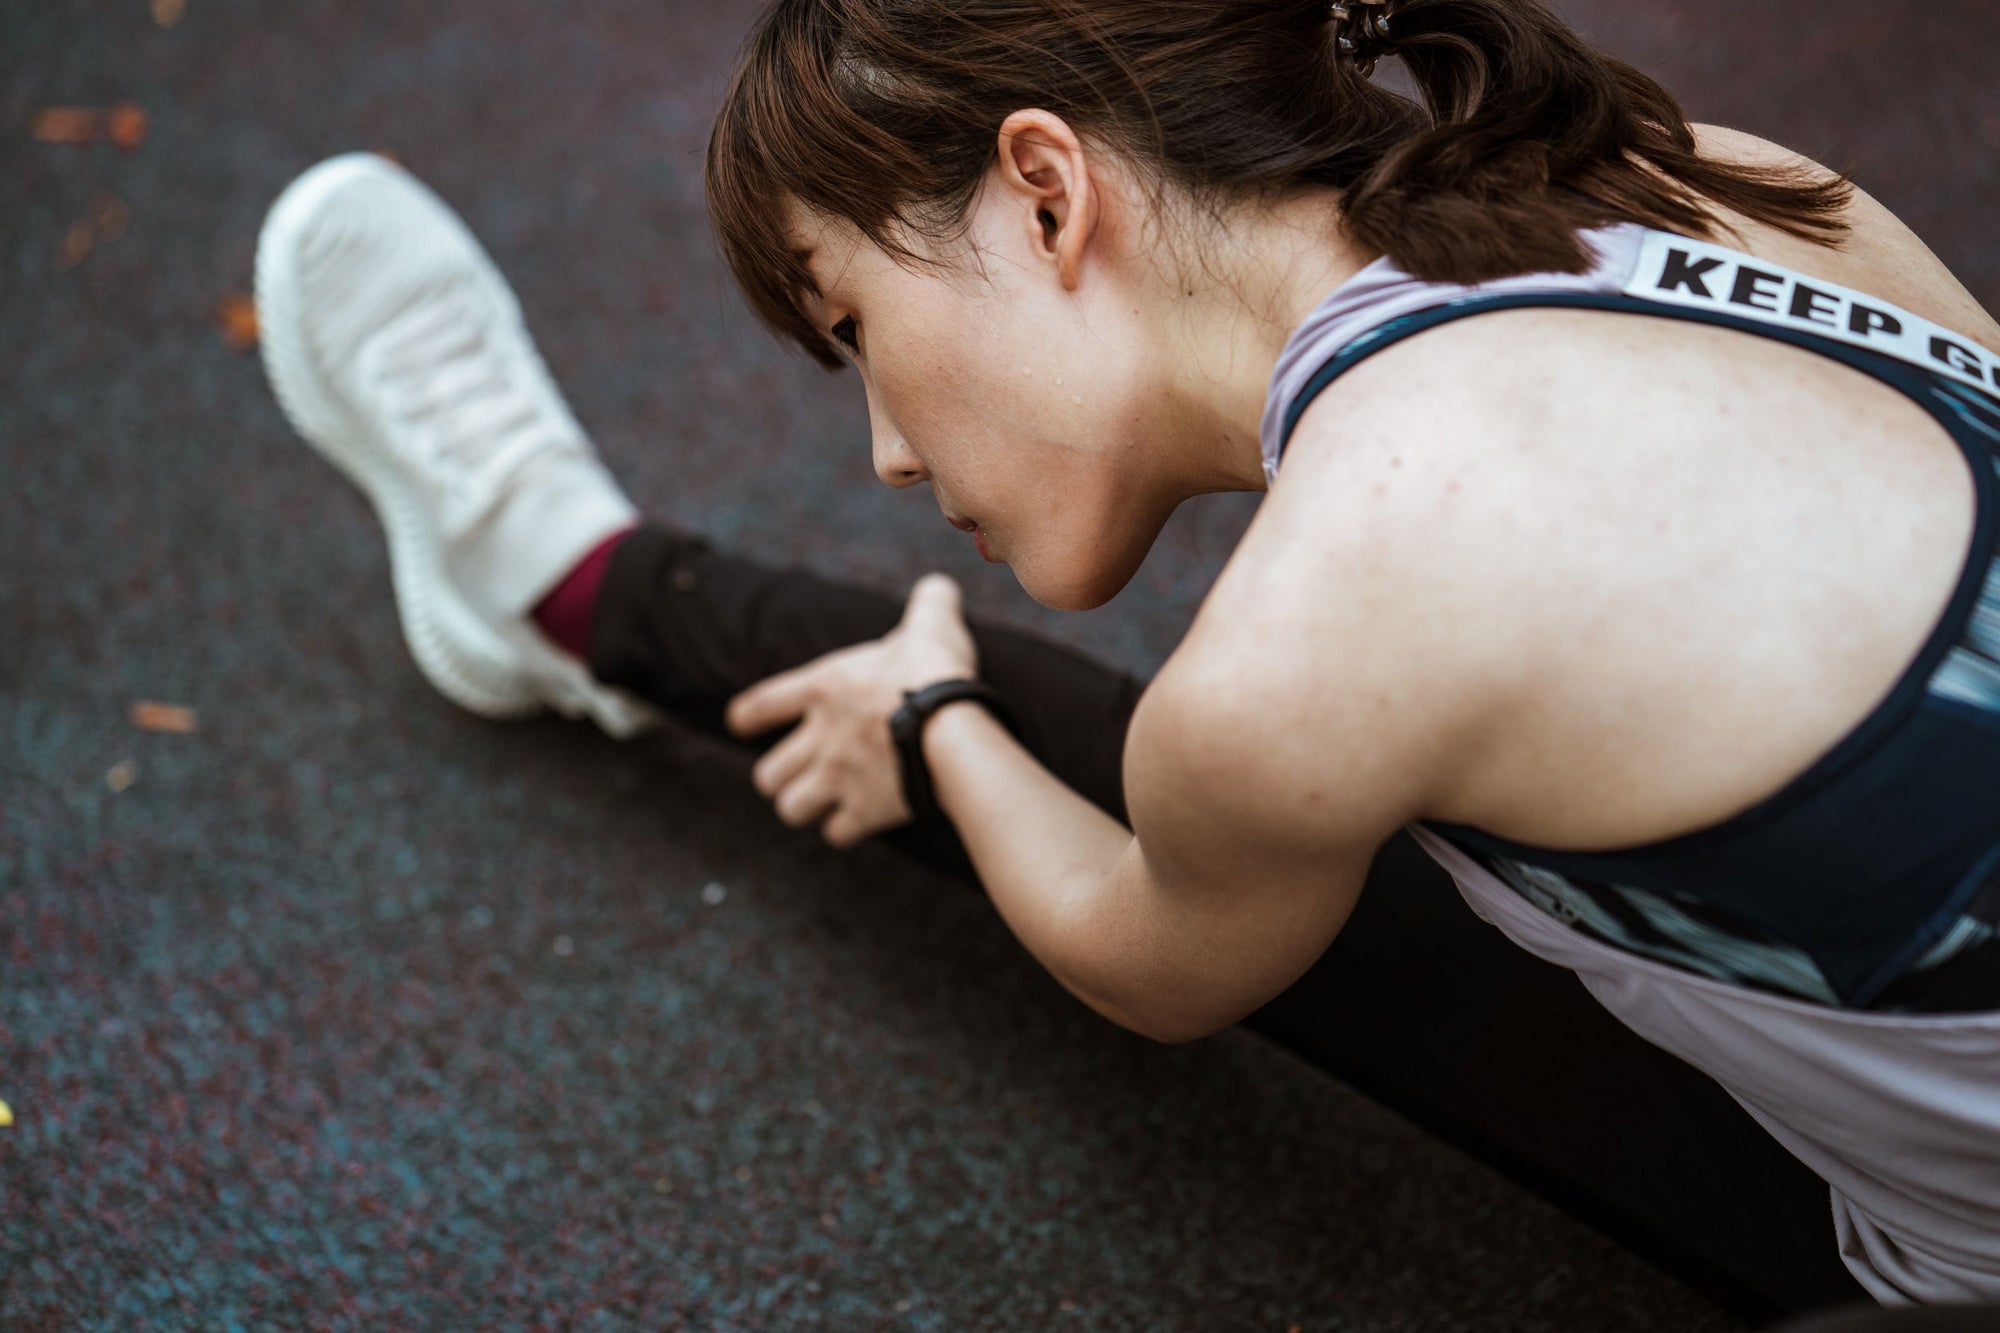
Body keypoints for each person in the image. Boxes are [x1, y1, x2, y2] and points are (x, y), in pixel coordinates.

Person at [253, 0, 2000, 1316]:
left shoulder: (1330, 623)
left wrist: (934, 709)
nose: (885, 449)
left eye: (855, 324)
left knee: (1194, 792)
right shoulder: (1725, 184)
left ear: (1042, 188)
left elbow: (1146, 952)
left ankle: (569, 582)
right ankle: (572, 580)